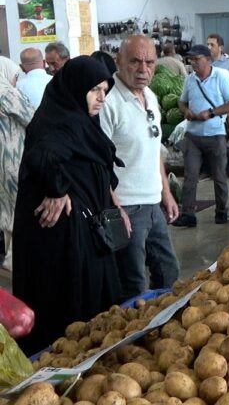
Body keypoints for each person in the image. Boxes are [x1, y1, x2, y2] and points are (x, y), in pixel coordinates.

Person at [13, 56, 125, 354]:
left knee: (96, 306)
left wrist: (115, 204)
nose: (101, 97)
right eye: (94, 90)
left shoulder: (85, 123)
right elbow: (43, 156)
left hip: (89, 233)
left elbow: (99, 166)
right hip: (62, 240)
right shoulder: (57, 121)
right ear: (75, 89)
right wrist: (58, 188)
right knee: (69, 310)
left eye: (105, 90)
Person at [99, 35, 180, 301]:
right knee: (132, 283)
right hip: (126, 207)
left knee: (169, 271)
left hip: (153, 202)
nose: (143, 69)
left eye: (149, 62)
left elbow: (154, 148)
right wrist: (115, 208)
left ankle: (162, 329)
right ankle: (130, 339)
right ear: (118, 61)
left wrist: (166, 193)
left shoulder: (151, 96)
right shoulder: (107, 102)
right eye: (135, 61)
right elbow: (99, 163)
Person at [172, 45, 229, 227]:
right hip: (193, 135)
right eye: (191, 60)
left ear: (208, 60)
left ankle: (222, 211)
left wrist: (211, 113)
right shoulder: (190, 80)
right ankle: (188, 214)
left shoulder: (220, 77)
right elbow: (182, 102)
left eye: (197, 59)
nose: (193, 63)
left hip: (215, 134)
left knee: (219, 176)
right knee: (190, 176)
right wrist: (186, 112)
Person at [0, 57, 35, 271]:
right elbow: (34, 118)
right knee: (20, 213)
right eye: (14, 76)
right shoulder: (6, 93)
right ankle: (17, 264)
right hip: (12, 161)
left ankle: (11, 261)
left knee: (6, 212)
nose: (15, 81)